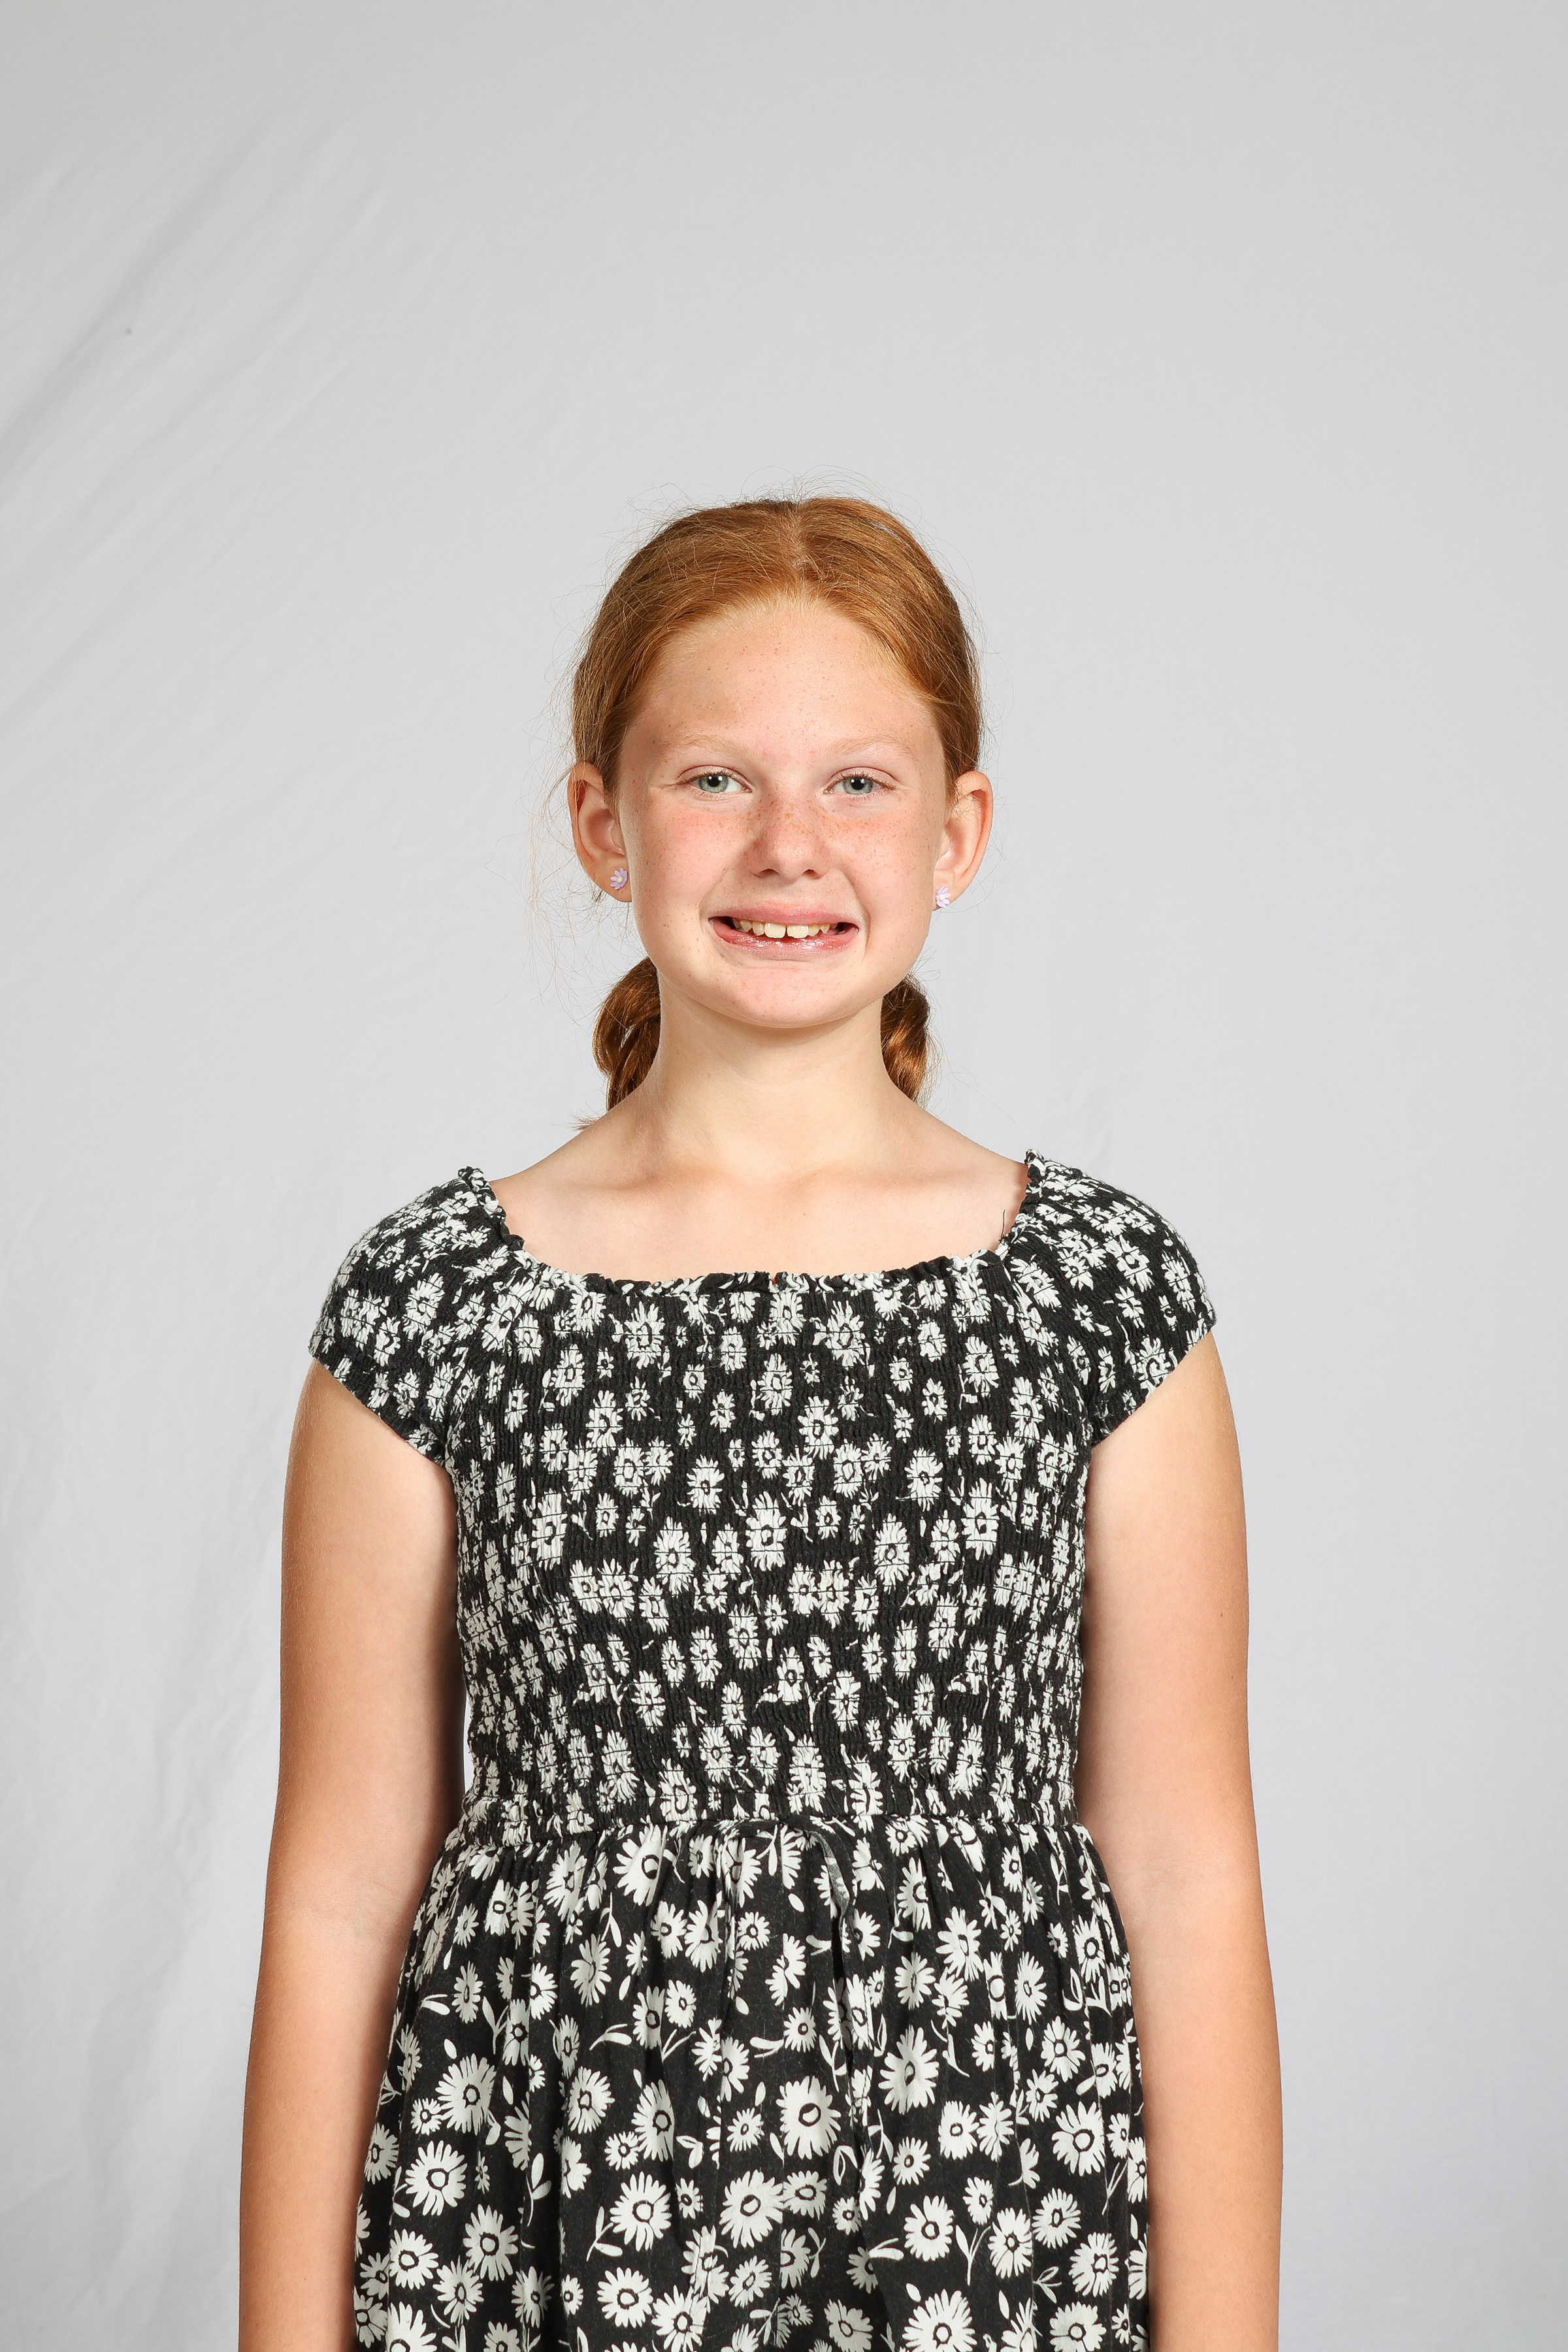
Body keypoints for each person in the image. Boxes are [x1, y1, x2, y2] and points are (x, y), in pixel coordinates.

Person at [239, 496, 1281, 2352]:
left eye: (859, 784)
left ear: (957, 832)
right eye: (716, 777)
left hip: (991, 2220)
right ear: (603, 822)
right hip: (546, 2224)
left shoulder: (1101, 1300)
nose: (790, 844)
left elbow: (1190, 1877)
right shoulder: (434, 1311)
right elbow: (337, 1891)